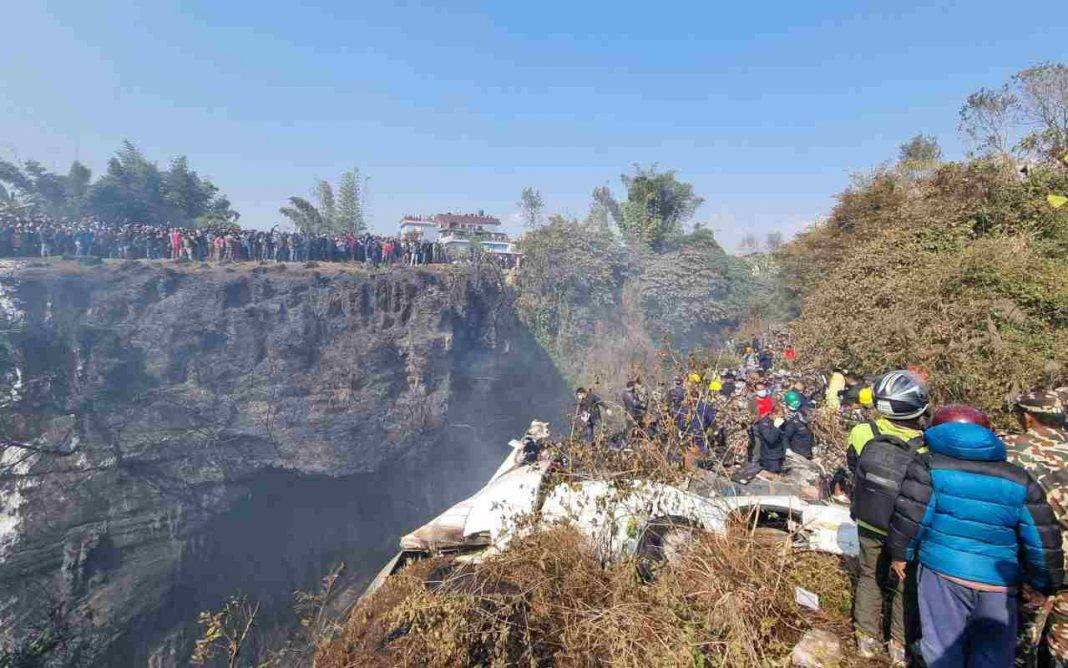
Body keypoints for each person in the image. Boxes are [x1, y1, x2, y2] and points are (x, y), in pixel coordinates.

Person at [888, 417, 1064, 667]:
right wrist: (1044, 582)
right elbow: (1042, 536)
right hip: (999, 583)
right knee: (993, 655)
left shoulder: (931, 467)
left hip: (942, 572)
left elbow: (912, 516)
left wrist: (901, 554)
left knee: (942, 648)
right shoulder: (1019, 478)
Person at [847, 370, 928, 662]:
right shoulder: (926, 444)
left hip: (868, 519)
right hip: (906, 528)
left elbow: (852, 468)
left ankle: (866, 638)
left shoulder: (862, 432)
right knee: (906, 585)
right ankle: (899, 645)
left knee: (869, 576)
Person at [1003, 390, 1068, 668]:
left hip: (1035, 558)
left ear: (1028, 417)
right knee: (1063, 644)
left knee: (1021, 639)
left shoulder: (1012, 449)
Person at [781, 390, 813, 459]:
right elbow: (785, 436)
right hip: (798, 453)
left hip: (807, 450)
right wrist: (787, 448)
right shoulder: (793, 422)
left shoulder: (803, 415)